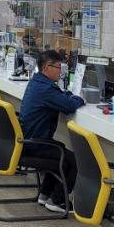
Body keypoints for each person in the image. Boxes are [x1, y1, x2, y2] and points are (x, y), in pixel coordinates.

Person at [18, 49, 84, 213]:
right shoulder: (46, 89)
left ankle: (45, 194)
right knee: (74, 160)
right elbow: (69, 106)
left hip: (28, 140)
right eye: (58, 67)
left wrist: (66, 96)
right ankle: (58, 200)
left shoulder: (37, 82)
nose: (60, 72)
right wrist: (79, 98)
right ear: (47, 68)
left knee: (60, 149)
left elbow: (60, 97)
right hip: (34, 144)